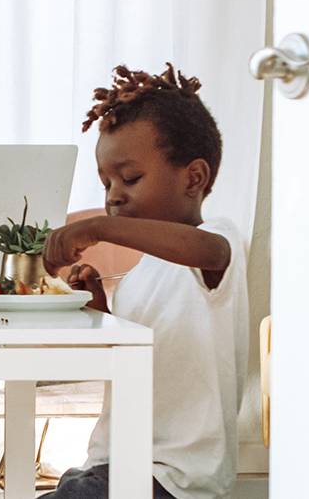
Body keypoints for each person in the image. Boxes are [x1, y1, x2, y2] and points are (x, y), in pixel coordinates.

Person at [40, 64, 251, 499]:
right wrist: (98, 308)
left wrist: (99, 228)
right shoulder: (140, 276)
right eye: (106, 183)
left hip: (170, 478)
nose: (113, 194)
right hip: (108, 468)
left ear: (194, 178)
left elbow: (203, 252)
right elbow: (122, 366)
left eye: (130, 178)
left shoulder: (217, 242)